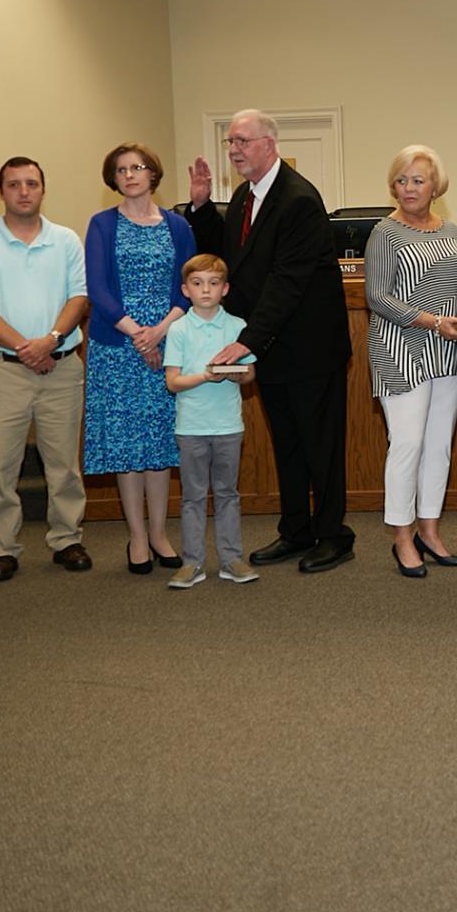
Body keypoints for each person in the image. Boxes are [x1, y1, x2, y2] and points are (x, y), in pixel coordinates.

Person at [183, 111, 355, 573]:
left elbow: (287, 281)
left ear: (268, 144)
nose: (234, 149)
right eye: (230, 142)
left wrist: (245, 340)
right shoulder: (244, 196)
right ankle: (296, 530)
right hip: (271, 348)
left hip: (310, 347)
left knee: (321, 447)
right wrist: (200, 208)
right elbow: (227, 261)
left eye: (242, 140)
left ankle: (335, 534)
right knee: (288, 444)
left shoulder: (298, 198)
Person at [0, 156, 90, 582]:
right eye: (14, 184)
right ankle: (2, 547)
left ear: (42, 189)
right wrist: (24, 347)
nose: (23, 191)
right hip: (2, 372)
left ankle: (67, 538)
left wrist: (50, 340)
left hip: (62, 366)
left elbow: (79, 298)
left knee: (63, 462)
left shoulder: (67, 239)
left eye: (31, 183)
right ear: (1, 192)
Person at [84, 143, 194, 575]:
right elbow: (98, 287)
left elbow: (188, 282)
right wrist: (137, 335)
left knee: (160, 443)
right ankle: (135, 535)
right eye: (122, 169)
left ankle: (160, 533)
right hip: (117, 345)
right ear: (113, 178)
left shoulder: (178, 225)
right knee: (127, 446)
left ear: (153, 174)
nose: (130, 174)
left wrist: (160, 332)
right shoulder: (102, 224)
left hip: (168, 341)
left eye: (138, 167)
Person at [364, 145, 457, 578]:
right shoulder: (384, 233)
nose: (409, 188)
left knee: (438, 446)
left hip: (447, 348)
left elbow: (455, 287)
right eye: (402, 180)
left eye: (418, 180)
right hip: (401, 349)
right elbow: (377, 296)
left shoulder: (450, 230)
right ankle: (402, 536)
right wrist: (432, 320)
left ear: (435, 186)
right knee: (406, 445)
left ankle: (430, 529)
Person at [163, 254, 259, 590]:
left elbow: (248, 375)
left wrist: (232, 374)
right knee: (192, 497)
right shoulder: (178, 329)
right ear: (185, 289)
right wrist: (206, 375)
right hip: (190, 427)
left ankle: (232, 559)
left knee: (228, 493)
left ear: (225, 288)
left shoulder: (236, 327)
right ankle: (192, 563)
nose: (206, 290)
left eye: (214, 283)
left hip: (228, 426)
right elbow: (172, 382)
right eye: (198, 283)